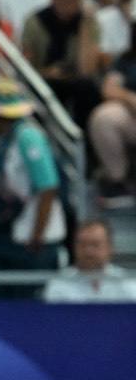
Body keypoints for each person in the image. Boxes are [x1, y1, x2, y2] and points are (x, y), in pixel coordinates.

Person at [0, 79, 66, 292]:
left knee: (27, 303)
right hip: (1, 233)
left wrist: (37, 235)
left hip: (29, 240)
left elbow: (48, 187)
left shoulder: (28, 136)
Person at [88, 39, 136, 208]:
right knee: (104, 117)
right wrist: (130, 97)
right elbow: (109, 88)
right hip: (131, 114)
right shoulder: (127, 59)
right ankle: (117, 181)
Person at [43, 218, 136, 302]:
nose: (88, 252)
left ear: (110, 247)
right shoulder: (60, 283)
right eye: (82, 245)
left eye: (95, 245)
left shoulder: (126, 282)